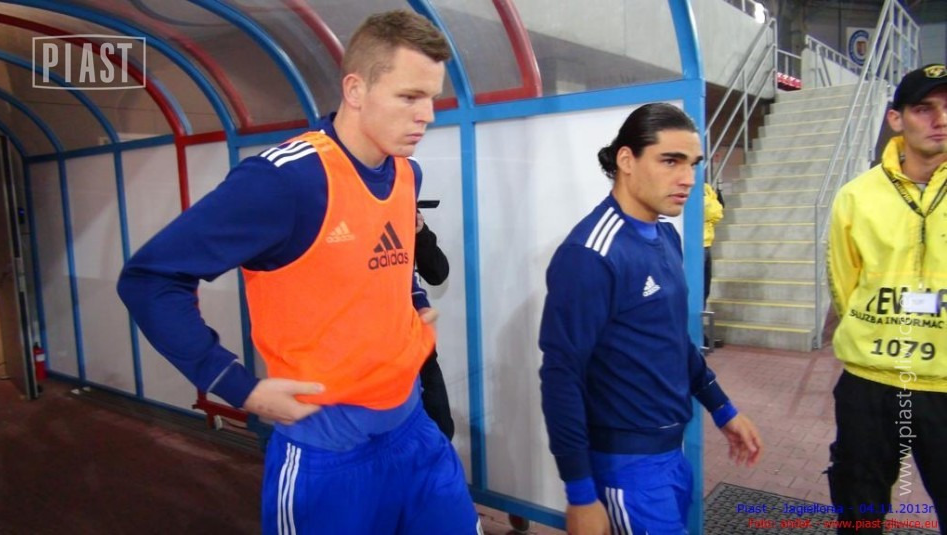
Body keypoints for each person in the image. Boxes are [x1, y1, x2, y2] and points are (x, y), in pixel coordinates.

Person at [117, 10, 481, 534]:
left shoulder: (406, 172)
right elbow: (150, 279)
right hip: (327, 452)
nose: (427, 115)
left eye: (432, 97)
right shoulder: (285, 181)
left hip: (412, 429)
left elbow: (389, 251)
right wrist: (237, 386)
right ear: (355, 90)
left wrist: (415, 300)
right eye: (409, 96)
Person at [538, 103, 762, 535]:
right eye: (670, 161)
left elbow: (673, 339)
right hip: (626, 468)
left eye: (693, 164)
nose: (688, 178)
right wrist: (580, 495)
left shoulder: (665, 235)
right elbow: (561, 376)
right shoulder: (590, 254)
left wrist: (723, 409)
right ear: (627, 160)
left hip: (670, 455)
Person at [826, 63, 947, 534]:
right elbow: (845, 286)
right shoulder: (856, 197)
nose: (940, 119)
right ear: (896, 119)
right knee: (859, 510)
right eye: (924, 109)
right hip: (870, 383)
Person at [413, 209, 455, 440]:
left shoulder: (404, 220)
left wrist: (420, 232)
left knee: (441, 429)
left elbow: (437, 273)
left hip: (421, 351)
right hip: (380, 355)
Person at [703, 181, 723, 310]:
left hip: (706, 243)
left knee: (705, 288)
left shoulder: (705, 187)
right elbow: (708, 211)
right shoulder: (696, 188)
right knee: (697, 288)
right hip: (696, 244)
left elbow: (718, 212)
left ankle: (699, 318)